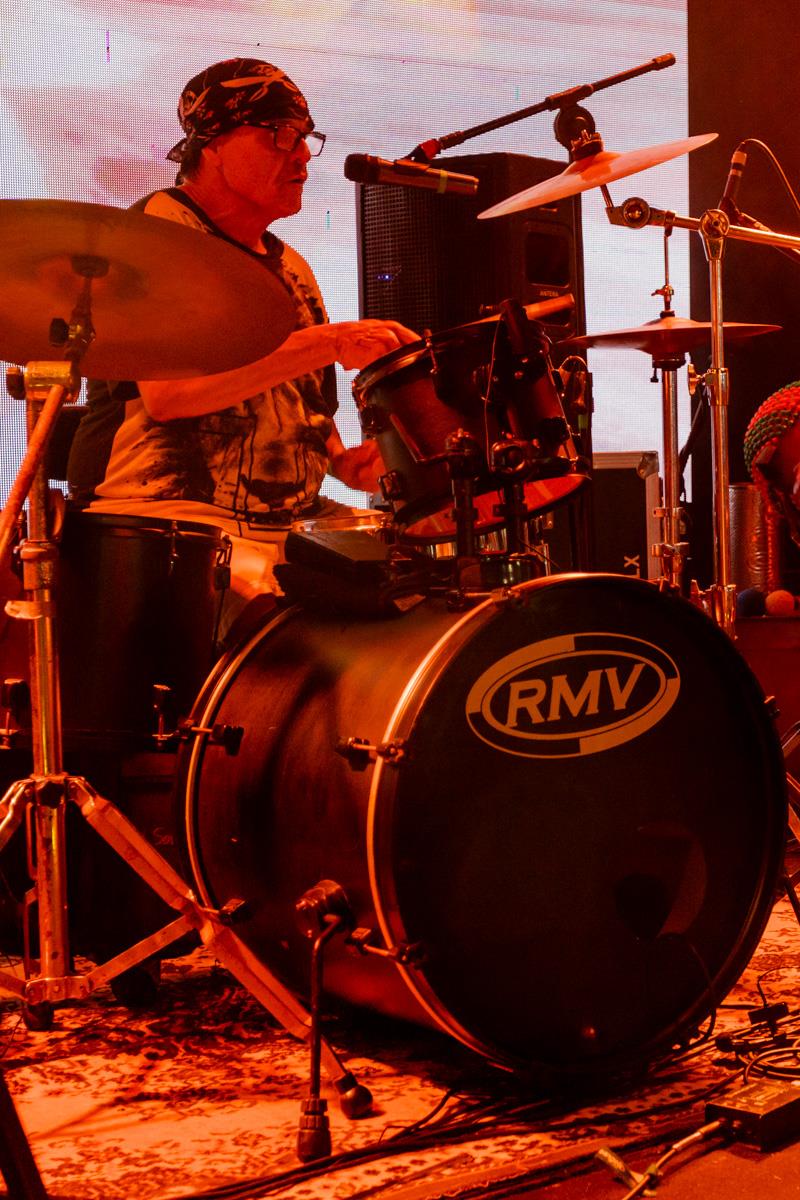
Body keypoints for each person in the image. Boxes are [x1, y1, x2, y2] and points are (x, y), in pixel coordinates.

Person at [67, 57, 418, 634]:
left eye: (306, 138)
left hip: (289, 523)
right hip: (171, 519)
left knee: (420, 589)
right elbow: (171, 397)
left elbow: (302, 401)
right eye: (281, 134)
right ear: (212, 143)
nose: (302, 156)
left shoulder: (293, 266)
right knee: (290, 629)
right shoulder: (160, 235)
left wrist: (345, 463)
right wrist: (329, 341)